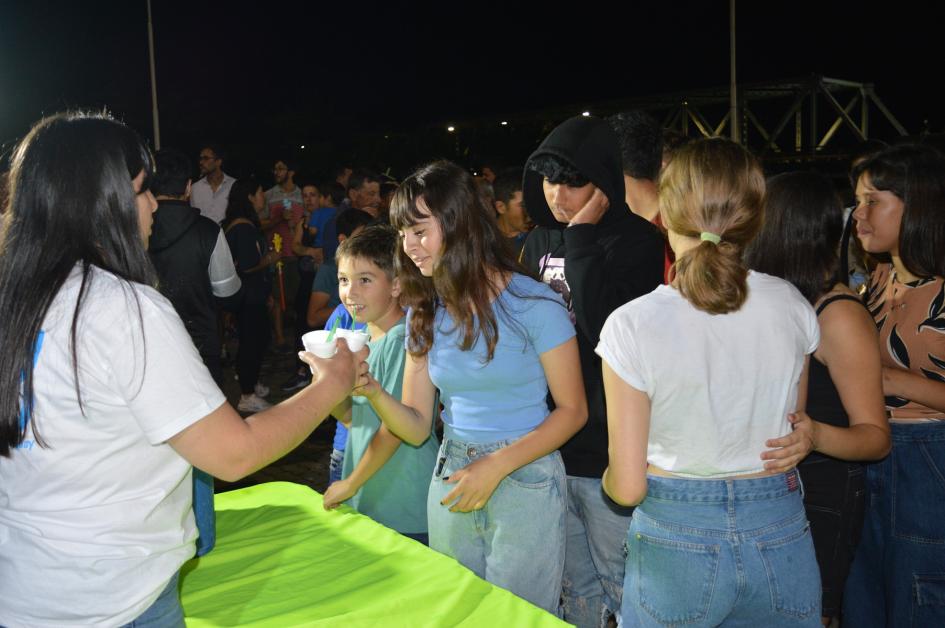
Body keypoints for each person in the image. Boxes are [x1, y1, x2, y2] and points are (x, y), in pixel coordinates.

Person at [0, 111, 367, 627]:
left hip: (26, 586)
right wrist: (332, 384)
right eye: (142, 190)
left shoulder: (18, 296)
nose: (153, 205)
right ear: (101, 203)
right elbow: (234, 454)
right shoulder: (119, 307)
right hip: (113, 597)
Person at [597, 137, 823, 627]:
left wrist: (608, 480)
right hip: (779, 528)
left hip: (676, 536)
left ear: (665, 211)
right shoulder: (792, 306)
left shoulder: (631, 325)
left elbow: (628, 487)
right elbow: (789, 432)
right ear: (754, 217)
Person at [365, 160, 587, 614]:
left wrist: (496, 466)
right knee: (460, 609)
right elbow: (415, 425)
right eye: (402, 234)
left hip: (525, 472)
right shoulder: (426, 311)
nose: (409, 248)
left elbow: (572, 410)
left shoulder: (533, 303)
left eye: (419, 232)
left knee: (518, 615)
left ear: (458, 223)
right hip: (453, 469)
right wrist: (367, 387)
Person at [521, 115, 665, 627]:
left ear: (603, 180)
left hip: (608, 447)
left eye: (572, 182)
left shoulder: (638, 242)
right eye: (549, 181)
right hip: (551, 444)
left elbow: (606, 330)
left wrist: (581, 237)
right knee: (573, 584)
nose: (558, 195)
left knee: (624, 581)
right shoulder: (537, 241)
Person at [745, 171, 890, 624]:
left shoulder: (837, 313)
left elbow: (874, 436)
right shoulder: (759, 299)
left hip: (821, 490)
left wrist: (814, 436)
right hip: (764, 487)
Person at [843, 144, 945, 628]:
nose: (858, 214)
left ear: (917, 204)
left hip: (930, 456)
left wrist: (891, 379)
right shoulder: (874, 280)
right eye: (857, 201)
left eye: (872, 200)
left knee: (920, 593)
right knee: (864, 592)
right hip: (871, 450)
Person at [149, 148, 244, 558]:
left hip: (147, 352)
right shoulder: (207, 230)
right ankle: (202, 537)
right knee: (202, 441)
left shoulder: (130, 230)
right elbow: (227, 290)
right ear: (188, 187)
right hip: (198, 347)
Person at [321, 225, 439, 545]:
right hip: (373, 495)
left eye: (365, 280)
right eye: (344, 280)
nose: (350, 292)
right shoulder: (365, 340)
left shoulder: (404, 339)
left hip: (402, 499)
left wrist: (350, 484)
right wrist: (325, 382)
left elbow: (394, 431)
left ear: (397, 284)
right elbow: (356, 419)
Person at [223, 177, 281, 413]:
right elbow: (247, 265)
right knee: (252, 343)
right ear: (249, 196)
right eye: (260, 193)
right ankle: (246, 395)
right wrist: (270, 259)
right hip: (249, 296)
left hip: (248, 294)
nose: (263, 198)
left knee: (254, 340)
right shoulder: (243, 227)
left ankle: (250, 381)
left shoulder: (238, 224)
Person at [190, 143, 235, 225]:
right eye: (200, 159)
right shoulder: (195, 188)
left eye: (206, 158)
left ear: (218, 162)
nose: (201, 162)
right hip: (203, 236)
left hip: (228, 236)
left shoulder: (233, 185)